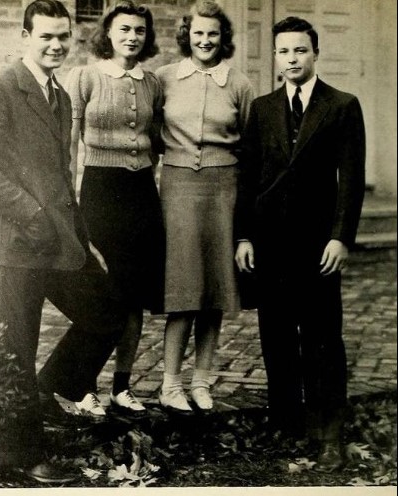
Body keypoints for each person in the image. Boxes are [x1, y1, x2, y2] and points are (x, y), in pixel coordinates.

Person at [0, 0, 128, 484]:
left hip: (59, 243)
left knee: (107, 312)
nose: (56, 45)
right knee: (17, 348)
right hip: (16, 245)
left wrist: (83, 238)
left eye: (63, 37)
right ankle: (19, 457)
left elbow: (60, 175)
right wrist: (31, 214)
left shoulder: (59, 93)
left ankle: (47, 393)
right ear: (25, 37)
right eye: (46, 37)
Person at [235, 16, 365, 472]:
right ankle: (287, 425)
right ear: (276, 57)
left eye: (300, 51)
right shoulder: (264, 108)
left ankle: (328, 432)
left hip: (317, 245)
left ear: (315, 53)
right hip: (270, 243)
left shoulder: (341, 105)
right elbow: (248, 177)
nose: (291, 59)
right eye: (283, 52)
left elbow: (351, 178)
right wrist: (244, 235)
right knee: (276, 337)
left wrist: (340, 237)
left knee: (323, 338)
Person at [64, 0, 164, 417]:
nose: (131, 37)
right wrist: (69, 199)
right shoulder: (85, 76)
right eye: (124, 29)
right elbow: (69, 142)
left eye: (139, 30)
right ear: (108, 33)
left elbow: (155, 140)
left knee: (134, 295)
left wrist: (143, 169)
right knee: (100, 291)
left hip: (140, 193)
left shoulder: (153, 83)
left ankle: (122, 387)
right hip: (101, 191)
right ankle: (83, 386)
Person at [154, 0, 253, 413]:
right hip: (177, 189)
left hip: (223, 191)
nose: (205, 40)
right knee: (183, 289)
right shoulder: (164, 79)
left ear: (222, 37)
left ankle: (201, 381)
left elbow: (249, 145)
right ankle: (170, 383)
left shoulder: (239, 83)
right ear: (186, 36)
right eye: (198, 33)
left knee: (214, 289)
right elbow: (150, 132)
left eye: (213, 33)